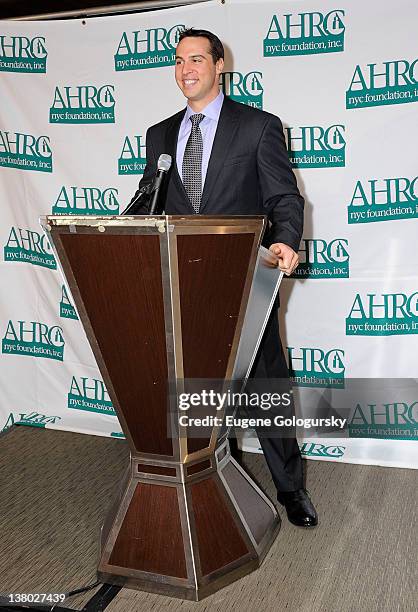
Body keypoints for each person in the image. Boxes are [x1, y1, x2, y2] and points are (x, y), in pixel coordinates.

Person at [130, 28, 317, 527]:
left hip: (245, 284)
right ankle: (214, 477)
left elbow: (284, 198)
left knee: (266, 387)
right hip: (182, 287)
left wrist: (287, 239)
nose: (185, 69)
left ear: (218, 66)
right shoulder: (159, 135)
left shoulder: (257, 126)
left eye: (196, 59)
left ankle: (291, 488)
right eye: (178, 60)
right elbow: (151, 207)